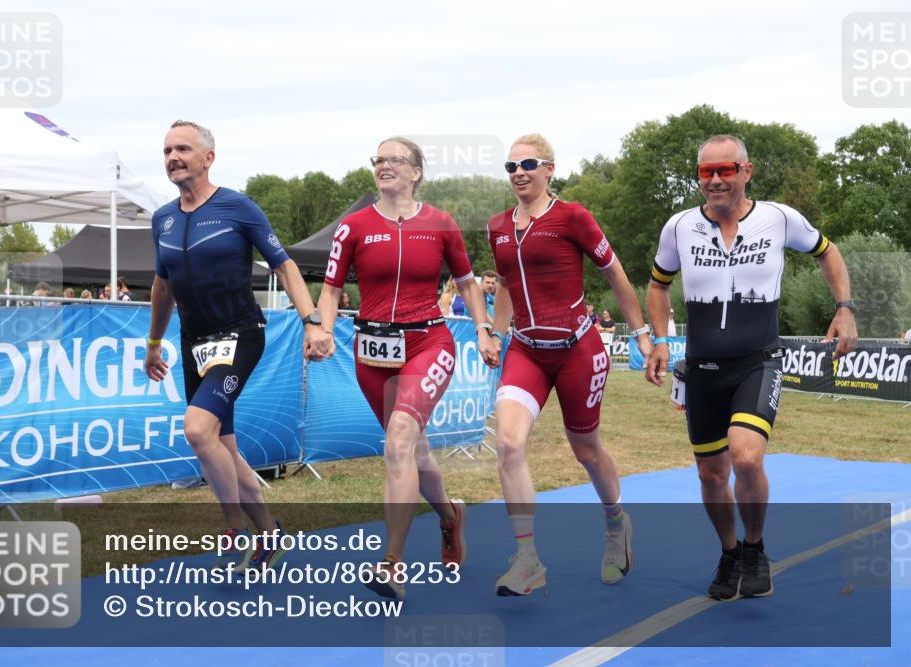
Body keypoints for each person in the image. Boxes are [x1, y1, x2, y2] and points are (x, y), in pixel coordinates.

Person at [644, 134, 858, 601]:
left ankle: (756, 548)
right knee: (711, 475)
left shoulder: (779, 219)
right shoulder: (679, 226)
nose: (716, 180)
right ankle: (730, 552)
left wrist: (844, 307)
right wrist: (660, 340)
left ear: (746, 170)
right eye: (706, 172)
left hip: (757, 363)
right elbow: (657, 286)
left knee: (746, 456)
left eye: (725, 169)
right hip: (702, 370)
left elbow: (829, 252)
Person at [316, 136, 500, 600]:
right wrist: (317, 327)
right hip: (371, 351)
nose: (384, 166)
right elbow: (332, 289)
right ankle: (450, 516)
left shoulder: (441, 224)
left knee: (398, 440)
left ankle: (391, 564)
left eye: (394, 159)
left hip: (427, 343)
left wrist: (482, 328)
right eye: (378, 160)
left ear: (416, 171)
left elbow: (468, 283)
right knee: (413, 452)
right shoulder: (352, 227)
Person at [144, 120, 331, 572]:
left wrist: (313, 322)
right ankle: (269, 532)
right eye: (167, 150)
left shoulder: (237, 208)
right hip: (193, 343)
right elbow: (162, 286)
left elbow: (284, 267)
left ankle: (234, 530)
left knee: (196, 430)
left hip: (239, 335)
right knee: (221, 447)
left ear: (208, 158)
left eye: (183, 149)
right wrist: (153, 343)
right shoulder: (162, 218)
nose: (173, 157)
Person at [487, 134, 652, 596]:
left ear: (550, 169)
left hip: (578, 350)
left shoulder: (572, 216)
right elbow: (503, 282)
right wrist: (498, 334)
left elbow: (615, 273)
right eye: (511, 165)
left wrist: (640, 333)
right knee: (508, 442)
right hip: (526, 351)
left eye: (529, 163)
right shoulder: (498, 226)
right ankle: (527, 560)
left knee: (586, 451)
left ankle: (617, 525)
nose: (519, 172)